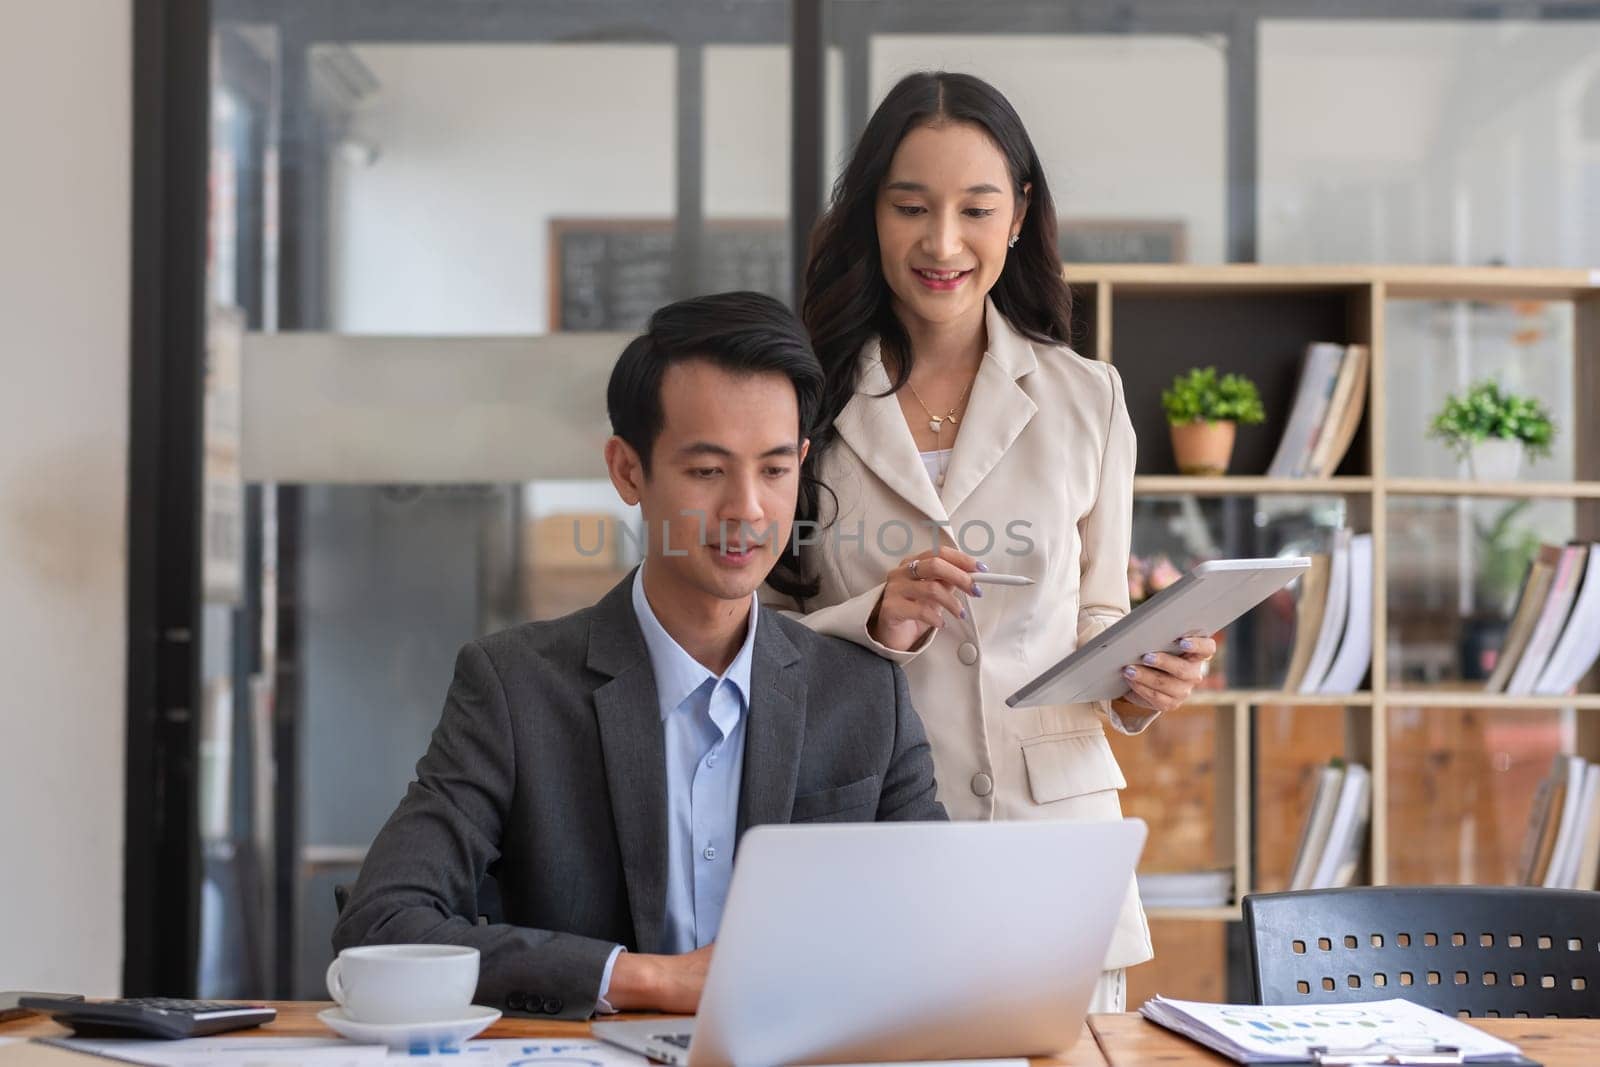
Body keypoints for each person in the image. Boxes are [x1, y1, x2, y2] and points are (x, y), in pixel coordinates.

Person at [333, 291, 946, 1020]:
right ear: (628, 470)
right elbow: (380, 923)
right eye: (707, 471)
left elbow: (938, 928)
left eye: (775, 470)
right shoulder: (514, 688)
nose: (748, 509)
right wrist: (648, 979)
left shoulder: (862, 694)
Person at [771, 71, 1217, 1011]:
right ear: (871, 220)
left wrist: (1148, 680)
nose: (942, 242)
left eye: (975, 208)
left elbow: (1100, 612)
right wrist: (874, 620)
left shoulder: (1087, 397)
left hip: (1056, 857)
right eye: (910, 208)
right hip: (870, 846)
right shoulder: (799, 394)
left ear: (1018, 215)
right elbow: (742, 641)